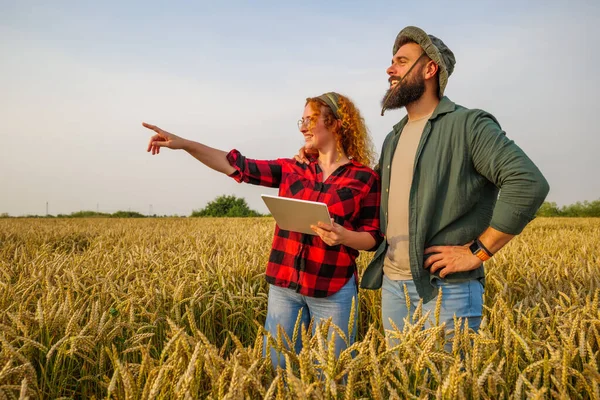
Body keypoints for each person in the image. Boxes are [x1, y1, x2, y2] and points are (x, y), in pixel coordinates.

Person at [298, 27, 550, 343]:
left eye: (402, 62)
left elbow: (527, 182)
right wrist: (318, 157)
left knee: (446, 383)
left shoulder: (468, 125)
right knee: (402, 384)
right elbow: (367, 196)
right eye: (392, 62)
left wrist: (478, 251)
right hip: (392, 285)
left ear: (430, 69)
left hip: (447, 289)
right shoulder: (394, 138)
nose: (390, 70)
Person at [142, 92, 383, 367]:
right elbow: (235, 165)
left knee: (333, 373)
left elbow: (373, 236)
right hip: (284, 288)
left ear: (336, 123)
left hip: (333, 289)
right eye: (301, 121)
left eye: (310, 119)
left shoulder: (364, 177)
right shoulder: (292, 168)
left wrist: (345, 236)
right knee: (278, 370)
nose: (303, 127)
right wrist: (183, 143)